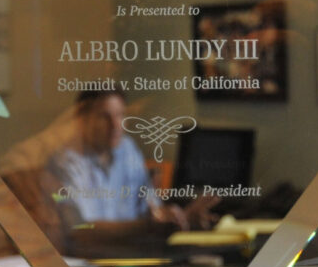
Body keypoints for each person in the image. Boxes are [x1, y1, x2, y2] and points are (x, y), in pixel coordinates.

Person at [37, 89, 217, 256]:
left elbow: (152, 211)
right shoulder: (65, 163)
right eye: (104, 117)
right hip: (88, 261)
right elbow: (82, 232)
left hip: (132, 253)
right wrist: (150, 227)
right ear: (82, 120)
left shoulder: (127, 148)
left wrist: (182, 218)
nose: (115, 125)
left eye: (120, 115)